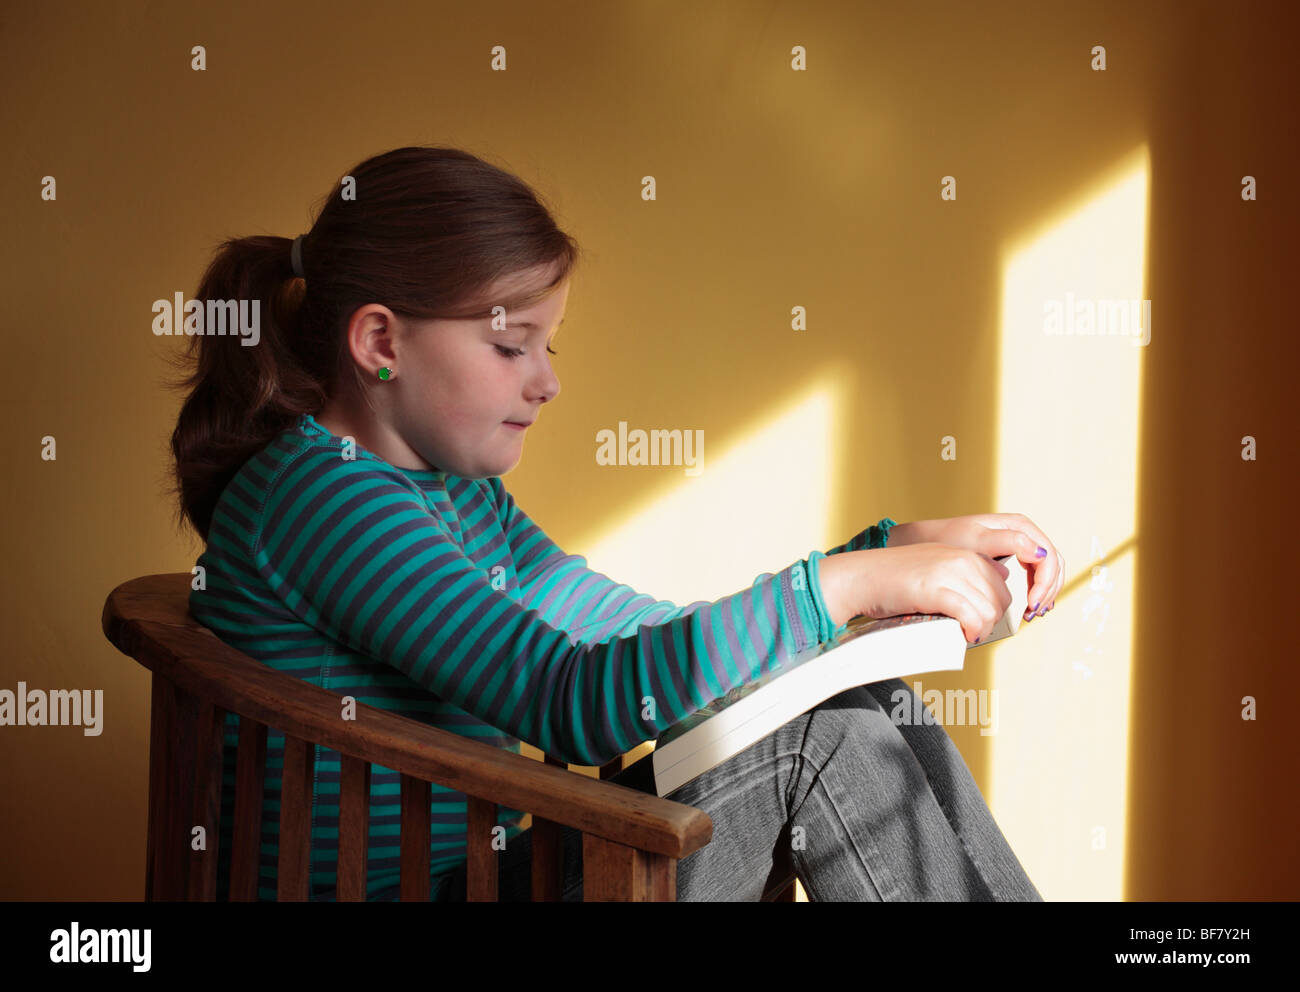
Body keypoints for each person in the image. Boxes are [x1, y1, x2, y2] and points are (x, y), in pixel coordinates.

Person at [168, 144, 1059, 901]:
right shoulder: (329, 502)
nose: (545, 380)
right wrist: (848, 589)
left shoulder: (451, 493)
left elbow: (641, 641)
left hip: (495, 874)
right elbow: (573, 703)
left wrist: (884, 557)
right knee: (821, 742)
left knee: (866, 703)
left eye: (547, 347)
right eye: (511, 345)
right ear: (382, 343)